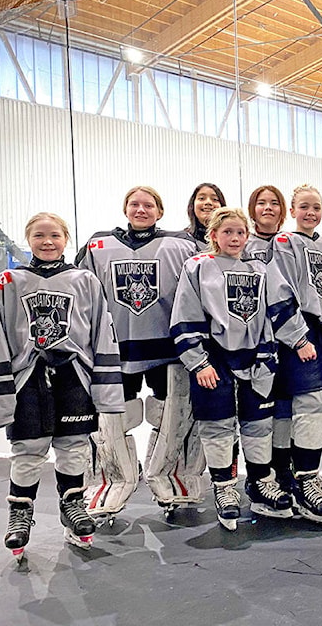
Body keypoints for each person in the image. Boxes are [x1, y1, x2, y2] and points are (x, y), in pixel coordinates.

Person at [0, 213, 124, 559]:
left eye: (54, 235)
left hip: (74, 374)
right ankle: (20, 513)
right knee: (29, 447)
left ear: (65, 239)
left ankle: (73, 505)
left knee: (73, 445)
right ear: (27, 239)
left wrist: (103, 385)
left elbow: (102, 330)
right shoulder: (9, 280)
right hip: (28, 376)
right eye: (39, 235)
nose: (47, 242)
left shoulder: (85, 280)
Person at [171, 208, 308, 530]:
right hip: (214, 358)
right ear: (213, 235)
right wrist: (198, 361)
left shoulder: (261, 267)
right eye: (228, 232)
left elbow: (281, 305)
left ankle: (261, 482)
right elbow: (184, 313)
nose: (234, 238)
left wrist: (299, 339)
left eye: (240, 232)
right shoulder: (198, 267)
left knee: (258, 422)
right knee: (217, 425)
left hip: (258, 356)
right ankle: (224, 488)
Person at [76, 186, 203, 519]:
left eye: (149, 205)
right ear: (125, 209)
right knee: (114, 418)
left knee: (172, 413)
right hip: (115, 349)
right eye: (135, 204)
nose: (141, 209)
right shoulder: (98, 245)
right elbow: (80, 292)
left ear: (160, 211)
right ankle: (111, 480)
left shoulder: (181, 245)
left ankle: (171, 475)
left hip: (168, 348)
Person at [270, 184, 322, 526]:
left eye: (316, 207)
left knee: (313, 408)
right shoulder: (285, 242)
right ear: (292, 211)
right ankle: (304, 478)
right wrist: (297, 337)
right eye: (304, 207)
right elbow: (280, 290)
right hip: (301, 334)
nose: (311, 213)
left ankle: (296, 477)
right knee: (307, 407)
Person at [245, 184, 297, 492]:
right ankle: (258, 476)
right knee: (258, 412)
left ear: (283, 210)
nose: (268, 208)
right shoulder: (241, 243)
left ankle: (282, 468)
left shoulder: (292, 244)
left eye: (274, 203)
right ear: (252, 209)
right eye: (261, 203)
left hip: (289, 338)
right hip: (255, 340)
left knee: (285, 408)